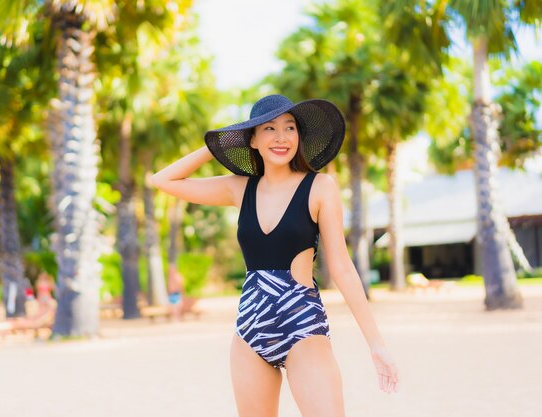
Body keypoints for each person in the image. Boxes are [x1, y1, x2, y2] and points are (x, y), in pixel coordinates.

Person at [150, 94, 398, 416]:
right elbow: (163, 180)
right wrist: (217, 145)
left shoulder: (320, 187)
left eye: (290, 128)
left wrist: (375, 344)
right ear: (252, 139)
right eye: (269, 129)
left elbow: (342, 267)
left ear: (299, 136)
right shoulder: (238, 189)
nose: (281, 138)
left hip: (302, 325)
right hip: (250, 329)